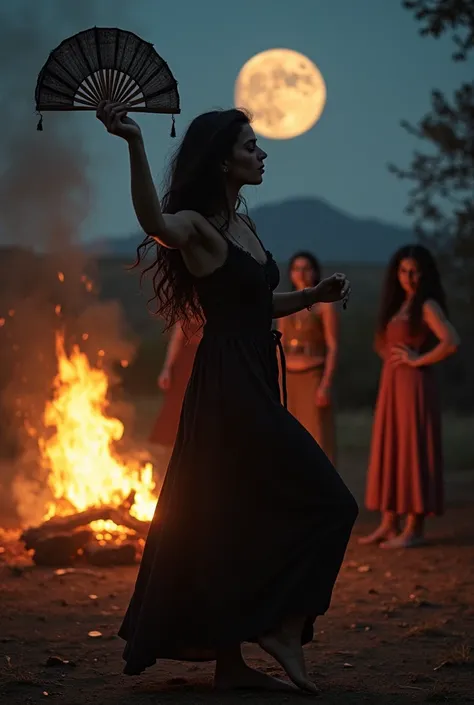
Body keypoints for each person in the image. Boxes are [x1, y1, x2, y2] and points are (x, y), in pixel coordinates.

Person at [96, 100, 358, 695]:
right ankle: (283, 628)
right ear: (221, 161)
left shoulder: (243, 222)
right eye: (249, 147)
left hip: (254, 373)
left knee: (232, 516)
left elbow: (258, 305)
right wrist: (134, 143)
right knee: (331, 502)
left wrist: (312, 294)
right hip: (227, 385)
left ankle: (233, 660)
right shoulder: (194, 225)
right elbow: (155, 225)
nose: (261, 154)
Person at [360, 244, 459, 549]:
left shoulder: (427, 305)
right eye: (403, 271)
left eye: (415, 271)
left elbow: (451, 341)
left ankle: (413, 528)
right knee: (391, 447)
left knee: (413, 450)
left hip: (415, 387)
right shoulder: (399, 303)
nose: (409, 277)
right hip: (393, 386)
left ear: (425, 272)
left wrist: (418, 360)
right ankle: (389, 524)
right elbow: (384, 343)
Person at [279, 251, 338, 463]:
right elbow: (279, 344)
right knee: (287, 436)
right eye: (296, 268)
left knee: (316, 435)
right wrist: (275, 380)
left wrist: (326, 384)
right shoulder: (286, 303)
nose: (301, 273)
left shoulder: (324, 306)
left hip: (313, 374)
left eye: (306, 268)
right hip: (288, 376)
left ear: (315, 272)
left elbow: (333, 346)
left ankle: (322, 489)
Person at [149, 318, 202, 467]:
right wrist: (166, 369)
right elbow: (176, 340)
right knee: (177, 406)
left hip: (205, 363)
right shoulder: (187, 314)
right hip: (185, 366)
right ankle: (173, 449)